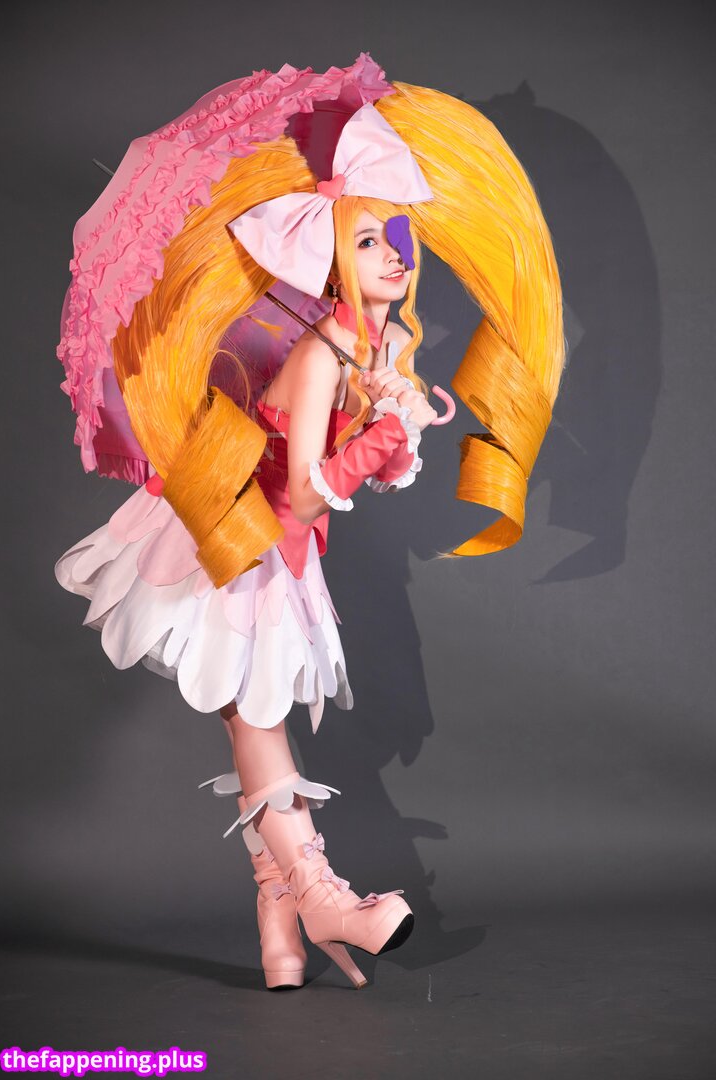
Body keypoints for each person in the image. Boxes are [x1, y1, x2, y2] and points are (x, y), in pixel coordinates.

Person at [56, 89, 565, 991]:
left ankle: (281, 931)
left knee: (256, 722)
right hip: (235, 536)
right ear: (327, 256)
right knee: (258, 723)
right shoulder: (322, 355)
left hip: (279, 553)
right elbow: (299, 490)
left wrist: (390, 434)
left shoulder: (373, 351)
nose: (395, 253)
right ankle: (325, 900)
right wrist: (376, 441)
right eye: (366, 240)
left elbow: (351, 477)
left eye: (396, 235)